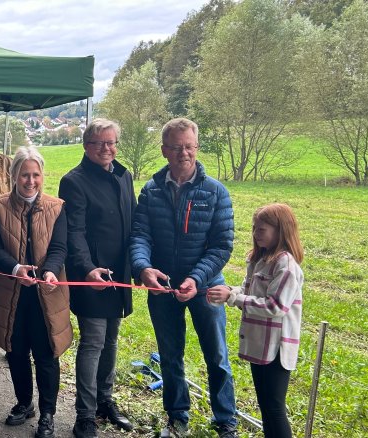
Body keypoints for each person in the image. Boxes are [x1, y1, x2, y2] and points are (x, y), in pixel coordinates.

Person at [129, 117, 237, 438]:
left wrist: (197, 279)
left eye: (189, 146)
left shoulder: (216, 192)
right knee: (170, 355)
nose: (183, 153)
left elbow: (222, 245)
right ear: (164, 150)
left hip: (206, 287)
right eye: (176, 147)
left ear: (197, 147)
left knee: (217, 356)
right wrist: (143, 268)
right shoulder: (150, 191)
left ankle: (225, 420)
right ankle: (177, 417)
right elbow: (139, 236)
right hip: (162, 288)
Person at [0, 146, 71, 438]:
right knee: (16, 351)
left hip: (47, 293)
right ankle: (24, 404)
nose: (30, 181)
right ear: (14, 176)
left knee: (47, 354)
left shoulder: (57, 206)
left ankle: (47, 414)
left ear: (42, 176)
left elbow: (60, 247)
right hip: (12, 292)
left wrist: (51, 270)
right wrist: (16, 268)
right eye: (24, 175)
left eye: (35, 175)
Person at [58, 119, 135, 437]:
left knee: (112, 338)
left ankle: (105, 401)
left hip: (120, 274)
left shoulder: (123, 174)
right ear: (86, 146)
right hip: (90, 275)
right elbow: (74, 232)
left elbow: (133, 217)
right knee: (93, 341)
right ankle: (85, 416)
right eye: (99, 143)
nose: (107, 148)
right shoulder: (73, 181)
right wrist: (87, 268)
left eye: (112, 142)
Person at [207, 204, 304, 438]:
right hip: (260, 344)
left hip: (276, 348)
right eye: (254, 228)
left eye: (262, 229)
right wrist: (230, 290)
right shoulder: (260, 259)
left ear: (281, 230)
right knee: (266, 406)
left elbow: (275, 306)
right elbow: (249, 289)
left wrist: (232, 298)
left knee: (274, 408)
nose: (255, 233)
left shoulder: (286, 266)